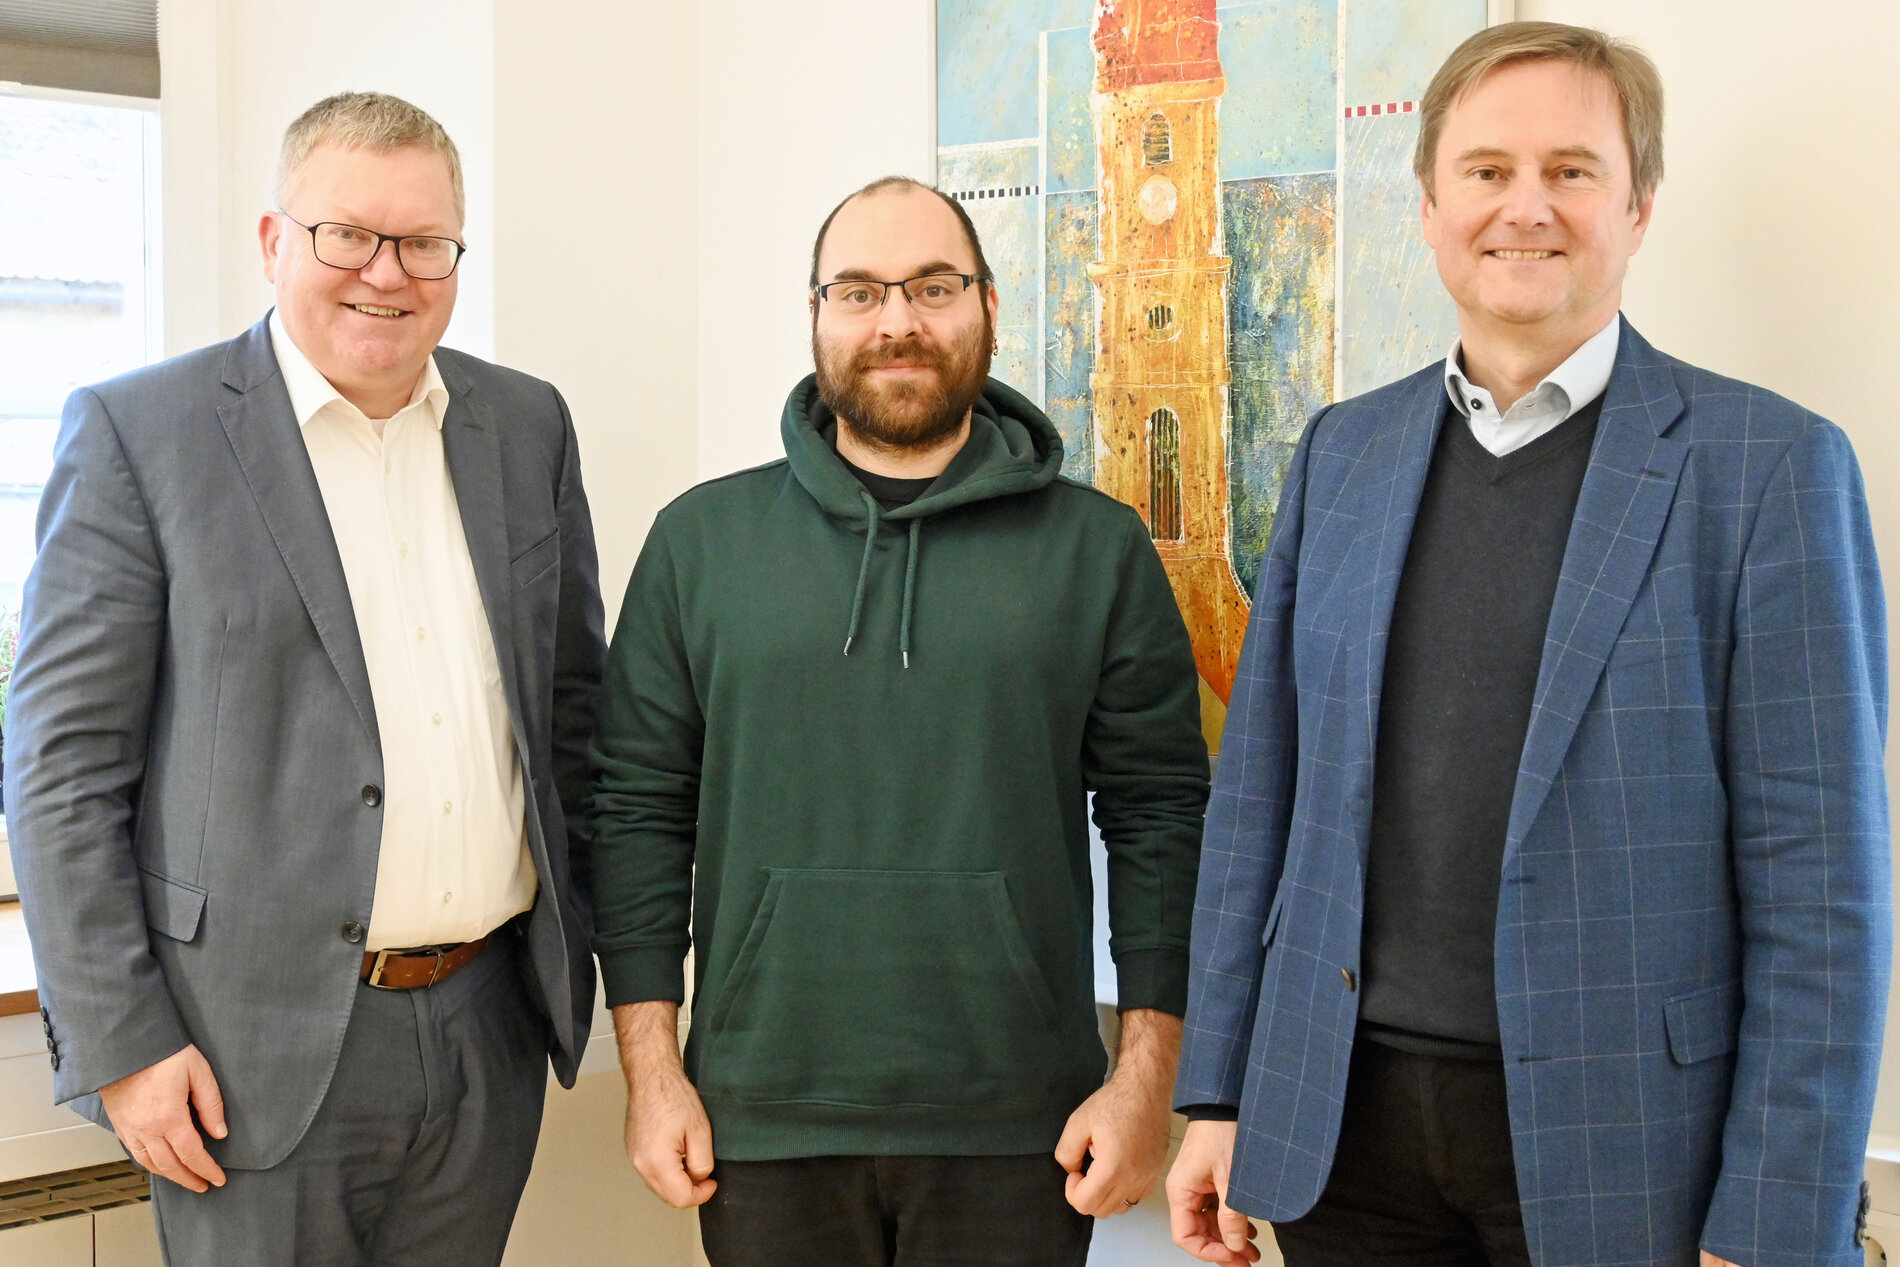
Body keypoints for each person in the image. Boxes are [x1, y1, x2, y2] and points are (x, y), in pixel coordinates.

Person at [1167, 22, 1889, 1267]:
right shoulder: (1343, 453)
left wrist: (1774, 1215)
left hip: (1631, 1148)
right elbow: (1260, 805)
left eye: (1572, 169)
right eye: (1487, 171)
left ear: (1639, 205)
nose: (1526, 208)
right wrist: (1218, 1089)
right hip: (1343, 1138)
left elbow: (1822, 887)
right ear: (1432, 206)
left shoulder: (1769, 469)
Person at [4, 91, 605, 1263]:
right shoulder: (144, 433)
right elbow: (61, 769)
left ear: (456, 255)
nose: (387, 272)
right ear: (277, 241)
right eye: (348, 234)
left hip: (489, 1022)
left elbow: (571, 713)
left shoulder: (526, 426)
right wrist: (125, 1042)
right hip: (245, 1048)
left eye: (423, 243)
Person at [587, 175, 1209, 1265]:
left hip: (1023, 1125)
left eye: (933, 287)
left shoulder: (1096, 550)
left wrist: (1142, 1081)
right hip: (761, 1119)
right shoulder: (699, 544)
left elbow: (1161, 819)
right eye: (860, 291)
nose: (897, 322)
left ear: (988, 306)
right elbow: (637, 816)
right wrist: (653, 1072)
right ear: (817, 314)